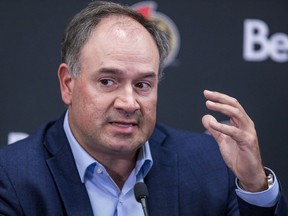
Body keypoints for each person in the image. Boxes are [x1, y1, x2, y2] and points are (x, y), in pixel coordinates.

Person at [0, 1, 287, 216]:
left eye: (142, 85)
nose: (128, 103)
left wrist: (253, 185)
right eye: (108, 81)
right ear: (68, 84)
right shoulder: (13, 177)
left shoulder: (210, 165)